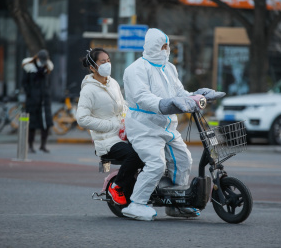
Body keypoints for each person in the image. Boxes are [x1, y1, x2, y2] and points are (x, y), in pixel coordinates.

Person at [122, 28, 225, 221]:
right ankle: (136, 204)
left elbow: (179, 92)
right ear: (152, 46)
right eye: (162, 46)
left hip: (168, 126)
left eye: (167, 46)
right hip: (144, 127)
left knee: (184, 159)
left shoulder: (169, 68)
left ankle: (177, 203)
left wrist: (198, 96)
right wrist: (165, 104)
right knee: (156, 164)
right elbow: (143, 98)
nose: (165, 50)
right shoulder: (135, 69)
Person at [76, 48, 144, 205]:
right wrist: (111, 125)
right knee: (134, 156)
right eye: (102, 61)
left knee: (149, 150)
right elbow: (82, 119)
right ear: (92, 67)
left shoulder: (112, 82)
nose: (107, 64)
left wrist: (133, 116)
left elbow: (122, 106)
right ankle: (117, 186)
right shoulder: (88, 90)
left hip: (123, 133)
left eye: (108, 61)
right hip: (106, 139)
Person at [22, 49, 54, 153]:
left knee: (46, 124)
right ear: (38, 58)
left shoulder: (47, 68)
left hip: (45, 100)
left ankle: (43, 145)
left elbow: (48, 83)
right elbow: (24, 82)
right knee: (32, 124)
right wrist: (30, 94)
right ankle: (30, 145)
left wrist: (48, 93)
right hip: (33, 100)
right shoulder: (29, 68)